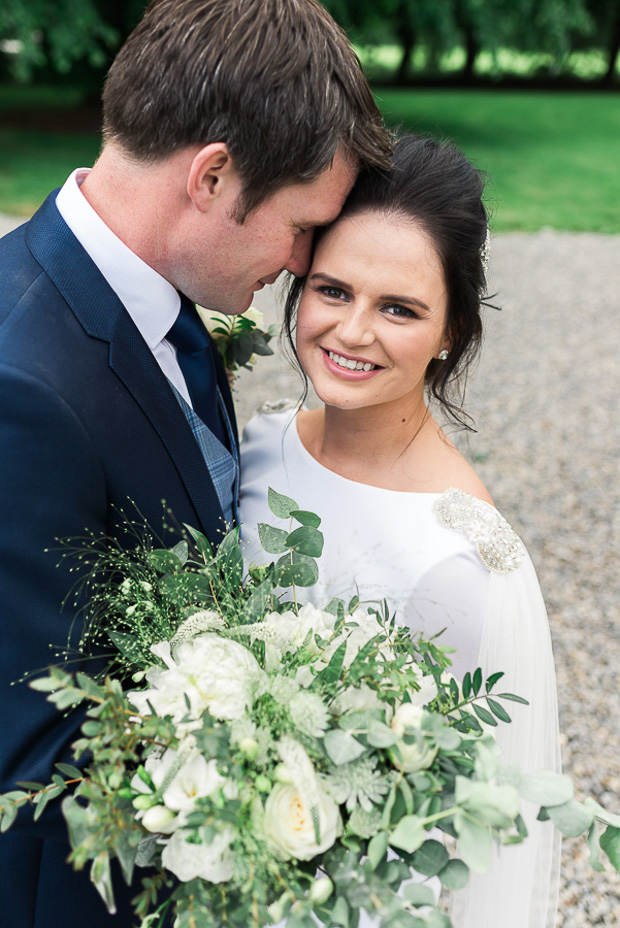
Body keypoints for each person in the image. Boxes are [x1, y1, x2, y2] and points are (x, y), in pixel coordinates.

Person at [0, 0, 391, 924]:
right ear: (212, 176)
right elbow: (33, 775)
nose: (303, 261)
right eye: (300, 225)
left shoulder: (157, 298)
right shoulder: (22, 387)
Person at [239, 134, 561, 928]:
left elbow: (450, 832)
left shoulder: (461, 561)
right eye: (333, 290)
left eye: (399, 308)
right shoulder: (258, 441)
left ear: (451, 330)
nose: (351, 332)